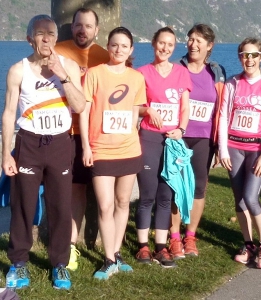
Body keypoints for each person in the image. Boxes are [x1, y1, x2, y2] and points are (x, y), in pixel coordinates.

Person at [1, 14, 85, 290]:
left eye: (50, 33)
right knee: (23, 205)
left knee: (60, 205)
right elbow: (9, 113)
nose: (47, 38)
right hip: (29, 144)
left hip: (60, 143)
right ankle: (19, 262)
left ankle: (60, 264)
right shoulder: (18, 70)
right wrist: (5, 153)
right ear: (30, 39)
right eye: (40, 34)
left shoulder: (69, 66)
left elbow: (80, 105)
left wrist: (62, 75)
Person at [80, 26, 146, 280]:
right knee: (105, 206)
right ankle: (108, 259)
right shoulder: (95, 74)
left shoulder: (136, 78)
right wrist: (86, 145)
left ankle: (117, 253)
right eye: (114, 44)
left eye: (124, 46)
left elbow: (135, 113)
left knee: (122, 203)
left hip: (129, 149)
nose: (119, 49)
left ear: (131, 50)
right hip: (101, 150)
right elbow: (84, 112)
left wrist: (147, 114)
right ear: (108, 46)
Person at [219, 37, 261, 269]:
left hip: (258, 150)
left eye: (254, 55)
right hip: (235, 147)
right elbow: (224, 117)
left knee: (250, 197)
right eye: (245, 55)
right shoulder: (232, 83)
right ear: (240, 57)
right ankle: (248, 244)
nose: (249, 59)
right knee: (239, 200)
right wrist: (222, 148)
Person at [55, 7, 109, 270]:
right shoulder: (58, 51)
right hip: (69, 133)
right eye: (78, 25)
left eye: (88, 26)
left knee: (103, 194)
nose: (82, 30)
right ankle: (72, 246)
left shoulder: (106, 56)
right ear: (72, 26)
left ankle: (110, 249)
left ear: (97, 30)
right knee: (75, 190)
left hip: (100, 135)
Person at [135, 27, 192, 268]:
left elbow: (185, 108)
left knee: (166, 195)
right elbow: (134, 106)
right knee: (147, 194)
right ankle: (142, 247)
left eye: (170, 44)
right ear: (153, 43)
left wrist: (181, 129)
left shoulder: (181, 73)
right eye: (161, 43)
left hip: (172, 142)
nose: (165, 48)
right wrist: (147, 110)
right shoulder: (142, 73)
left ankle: (160, 246)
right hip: (148, 138)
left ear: (174, 47)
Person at [168, 24, 226, 259]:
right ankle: (173, 237)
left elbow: (221, 107)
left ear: (209, 46)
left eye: (199, 40)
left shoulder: (217, 71)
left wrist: (221, 143)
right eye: (190, 39)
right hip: (178, 136)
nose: (193, 44)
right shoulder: (176, 68)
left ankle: (190, 235)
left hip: (204, 137)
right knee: (176, 187)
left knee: (198, 187)